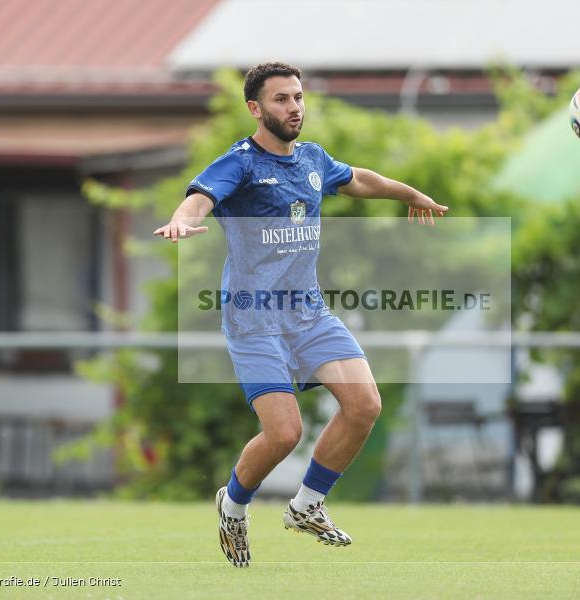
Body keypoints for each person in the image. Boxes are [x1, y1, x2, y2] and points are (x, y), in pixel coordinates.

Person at [154, 62, 448, 568]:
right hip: (254, 318)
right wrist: (182, 223)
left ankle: (307, 506)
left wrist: (409, 193)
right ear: (256, 108)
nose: (294, 108)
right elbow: (199, 198)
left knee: (364, 406)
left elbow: (358, 179)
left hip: (308, 315)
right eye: (281, 100)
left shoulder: (312, 158)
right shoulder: (241, 163)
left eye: (297, 97)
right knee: (285, 433)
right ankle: (233, 505)